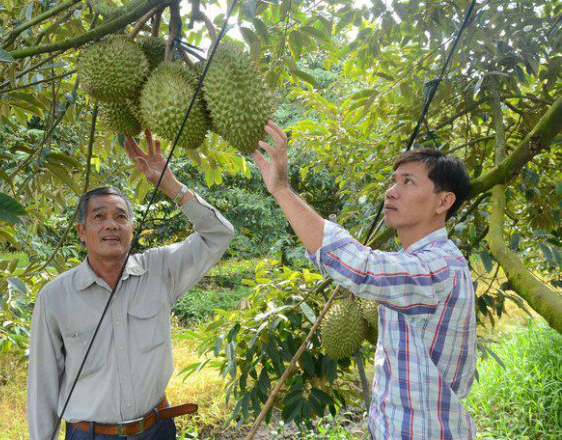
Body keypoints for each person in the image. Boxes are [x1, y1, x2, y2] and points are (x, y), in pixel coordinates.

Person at [252, 121, 477, 439]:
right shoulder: (419, 262)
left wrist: (281, 190)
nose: (392, 191)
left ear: (444, 202)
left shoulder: (439, 266)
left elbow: (359, 267)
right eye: (393, 180)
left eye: (409, 182)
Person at [27, 131, 234, 440]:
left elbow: (218, 234)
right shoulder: (55, 296)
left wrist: (170, 186)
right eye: (100, 217)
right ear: (82, 231)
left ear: (131, 229)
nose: (112, 224)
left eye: (120, 217)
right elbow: (43, 385)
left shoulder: (160, 269)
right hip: (89, 435)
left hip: (157, 429)